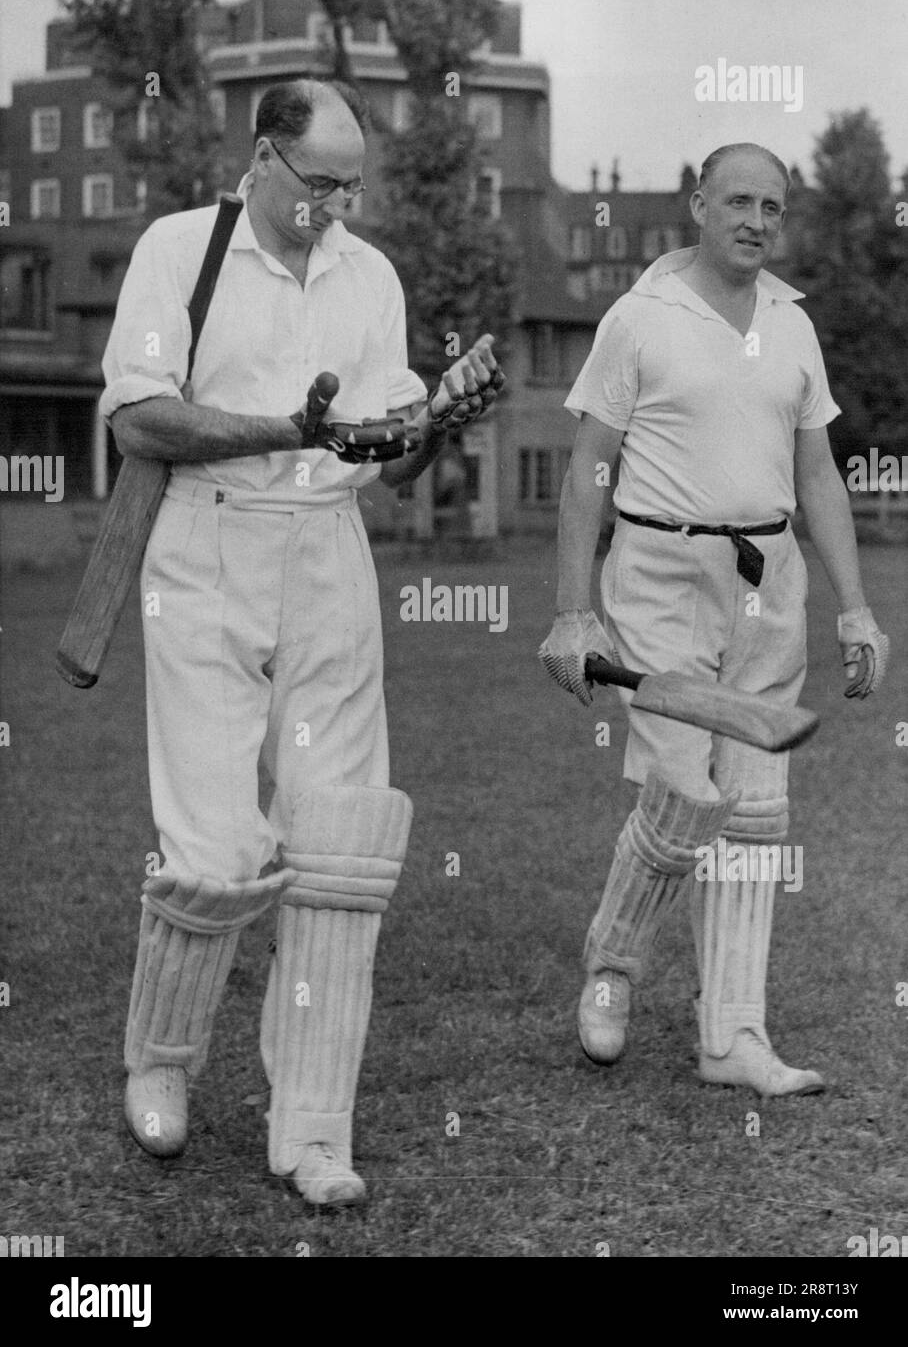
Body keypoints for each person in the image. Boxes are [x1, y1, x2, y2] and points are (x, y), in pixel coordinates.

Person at [100, 78, 501, 1203]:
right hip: (205, 550)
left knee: (340, 842)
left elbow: (383, 452)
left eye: (350, 184)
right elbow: (138, 416)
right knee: (218, 845)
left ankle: (314, 1126)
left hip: (329, 553)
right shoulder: (180, 250)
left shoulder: (368, 273)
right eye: (318, 182)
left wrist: (436, 422)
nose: (336, 203)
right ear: (261, 156)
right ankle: (162, 1065)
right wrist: (286, 429)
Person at [540, 142, 888, 1096]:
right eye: (738, 201)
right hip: (659, 570)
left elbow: (818, 472)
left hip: (767, 581)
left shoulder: (792, 324)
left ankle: (731, 1035)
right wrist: (574, 614)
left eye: (772, 207)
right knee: (685, 790)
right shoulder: (639, 317)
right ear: (698, 204)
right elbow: (586, 471)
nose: (756, 221)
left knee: (758, 806)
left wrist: (856, 610)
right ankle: (613, 965)